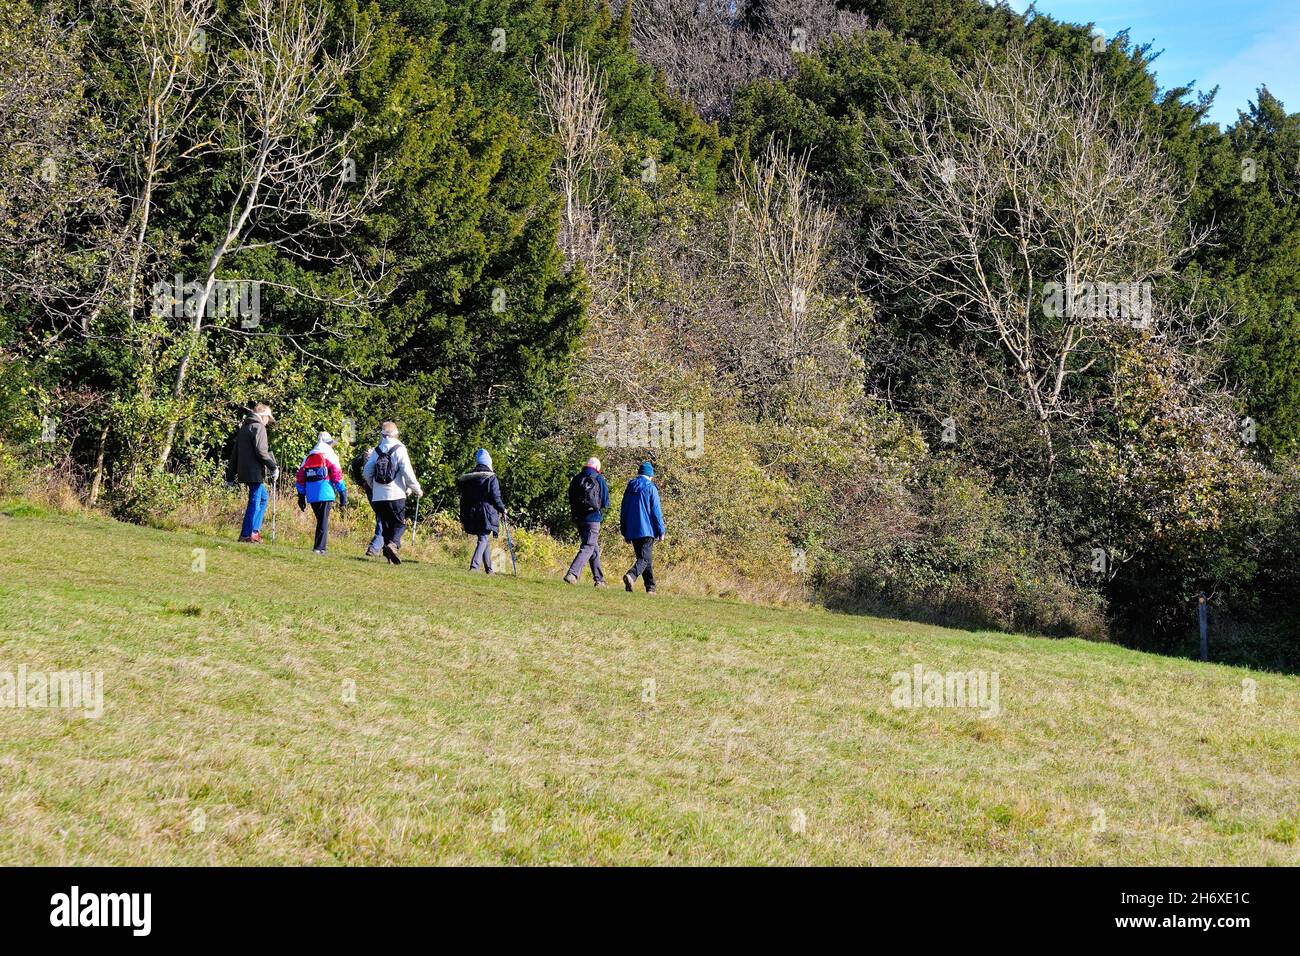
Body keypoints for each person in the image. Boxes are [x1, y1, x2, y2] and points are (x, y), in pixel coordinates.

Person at [362, 422, 422, 565]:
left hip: (378, 497)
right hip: (396, 495)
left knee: (386, 525)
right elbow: (407, 472)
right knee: (400, 524)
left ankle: (389, 558)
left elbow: (366, 472)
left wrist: (374, 486)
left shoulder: (376, 451)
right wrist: (416, 489)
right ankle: (393, 545)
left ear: (382, 435)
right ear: (396, 434)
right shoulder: (399, 449)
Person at [224, 403, 278, 543]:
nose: (267, 422)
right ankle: (247, 534)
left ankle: (253, 531)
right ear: (263, 416)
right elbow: (261, 452)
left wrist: (230, 476)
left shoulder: (244, 427)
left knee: (262, 498)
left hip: (244, 471)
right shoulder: (259, 427)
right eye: (267, 418)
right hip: (254, 472)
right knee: (254, 501)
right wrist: (273, 467)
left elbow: (234, 454)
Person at [295, 432, 348, 554]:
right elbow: (337, 476)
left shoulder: (309, 456)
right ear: (329, 443)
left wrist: (301, 496)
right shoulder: (330, 455)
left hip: (311, 495)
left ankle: (319, 547)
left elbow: (300, 478)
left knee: (321, 520)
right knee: (323, 521)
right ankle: (319, 548)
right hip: (325, 492)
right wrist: (342, 492)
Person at [456, 448, 506, 573]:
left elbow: (464, 499)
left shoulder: (469, 478)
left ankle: (489, 569)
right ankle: (474, 566)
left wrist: (463, 516)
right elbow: (495, 497)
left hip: (472, 512)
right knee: (483, 538)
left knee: (484, 539)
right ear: (488, 463)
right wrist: (502, 509)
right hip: (486, 513)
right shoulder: (491, 478)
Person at [619, 460, 665, 594]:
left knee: (645, 560)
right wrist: (661, 530)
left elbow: (624, 509)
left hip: (632, 530)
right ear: (650, 475)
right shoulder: (651, 487)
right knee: (644, 559)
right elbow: (656, 511)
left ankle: (650, 589)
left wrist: (625, 531)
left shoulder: (630, 486)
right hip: (647, 530)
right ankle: (631, 575)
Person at [563, 456, 609, 586]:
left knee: (593, 547)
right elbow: (605, 501)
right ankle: (572, 573)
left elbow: (570, 498)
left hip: (578, 519)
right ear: (597, 468)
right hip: (593, 519)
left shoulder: (577, 478)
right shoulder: (599, 479)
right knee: (588, 546)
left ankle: (599, 580)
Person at [351, 443, 384, 557]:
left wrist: (361, 481)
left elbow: (355, 463)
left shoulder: (369, 453)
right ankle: (375, 547)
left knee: (381, 516)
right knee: (383, 517)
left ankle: (381, 547)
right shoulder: (390, 451)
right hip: (383, 488)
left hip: (369, 488)